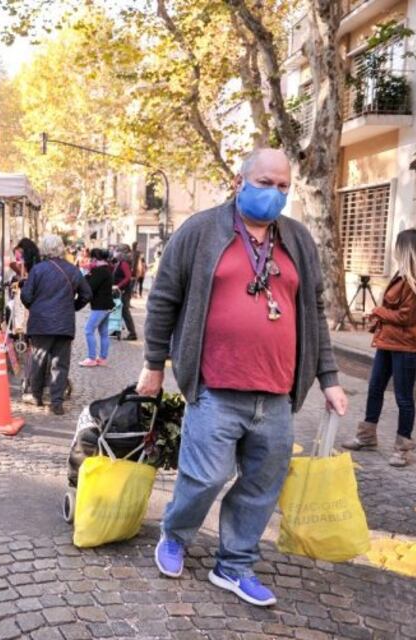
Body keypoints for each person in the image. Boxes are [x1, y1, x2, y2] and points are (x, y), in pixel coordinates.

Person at [136, 148, 348, 607]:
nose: (275, 193)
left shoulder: (298, 240)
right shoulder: (200, 231)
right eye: (266, 182)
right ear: (240, 181)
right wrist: (154, 365)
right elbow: (163, 300)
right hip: (215, 386)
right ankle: (175, 535)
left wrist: (328, 377)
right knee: (205, 476)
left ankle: (234, 565)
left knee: (260, 485)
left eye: (283, 186)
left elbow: (313, 313)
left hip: (276, 393)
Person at [342, 229, 416, 466]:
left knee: (403, 398)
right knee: (375, 388)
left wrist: (376, 311)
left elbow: (405, 317)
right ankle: (366, 437)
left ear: (406, 250)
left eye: (398, 246)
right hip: (388, 341)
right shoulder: (402, 276)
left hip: (407, 346)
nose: (394, 250)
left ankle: (402, 448)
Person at [20, 234, 92, 415]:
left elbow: (26, 296)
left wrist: (35, 307)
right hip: (64, 324)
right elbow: (87, 294)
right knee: (60, 364)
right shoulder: (73, 270)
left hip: (41, 323)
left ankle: (36, 396)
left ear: (44, 249)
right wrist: (73, 307)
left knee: (39, 360)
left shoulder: (38, 270)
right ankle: (56, 402)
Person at [80, 248, 115, 367]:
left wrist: (87, 274)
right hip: (107, 306)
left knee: (88, 330)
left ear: (95, 258)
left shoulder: (99, 271)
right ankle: (103, 358)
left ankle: (92, 358)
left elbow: (90, 286)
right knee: (103, 333)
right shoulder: (105, 269)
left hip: (100, 306)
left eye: (91, 258)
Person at [112, 245, 138, 340]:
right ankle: (116, 329)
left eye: (117, 251)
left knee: (124, 311)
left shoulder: (124, 263)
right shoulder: (120, 262)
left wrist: (118, 286)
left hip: (123, 291)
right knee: (119, 310)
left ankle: (132, 333)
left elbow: (127, 277)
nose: (115, 252)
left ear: (121, 253)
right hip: (121, 290)